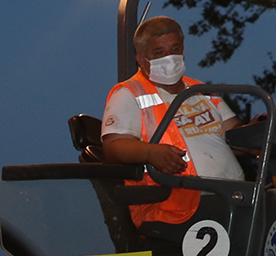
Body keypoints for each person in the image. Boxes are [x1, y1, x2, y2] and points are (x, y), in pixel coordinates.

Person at [99, 15, 246, 228]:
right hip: (174, 203)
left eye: (175, 49)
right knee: (252, 223)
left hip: (231, 195)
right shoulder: (129, 93)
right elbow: (113, 147)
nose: (170, 58)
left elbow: (236, 134)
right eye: (159, 53)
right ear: (141, 60)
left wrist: (259, 132)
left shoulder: (201, 91)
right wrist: (151, 152)